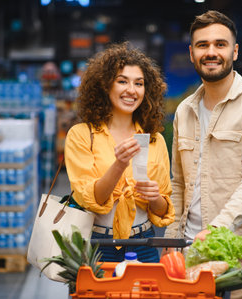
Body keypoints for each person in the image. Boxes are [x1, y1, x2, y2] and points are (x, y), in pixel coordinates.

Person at [163, 10, 242, 299]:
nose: (211, 52)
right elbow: (178, 183)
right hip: (188, 250)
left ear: (235, 51)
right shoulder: (184, 111)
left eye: (220, 44)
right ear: (191, 54)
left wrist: (216, 230)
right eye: (202, 45)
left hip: (237, 251)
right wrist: (170, 237)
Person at [65, 42, 174, 263]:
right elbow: (90, 200)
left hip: (144, 244)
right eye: (122, 81)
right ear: (105, 86)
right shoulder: (82, 135)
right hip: (97, 245)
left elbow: (163, 211)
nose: (131, 90)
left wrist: (155, 198)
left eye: (139, 83)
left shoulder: (155, 140)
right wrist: (119, 164)